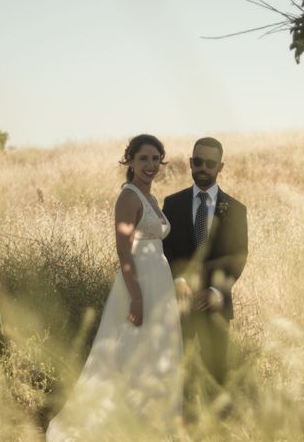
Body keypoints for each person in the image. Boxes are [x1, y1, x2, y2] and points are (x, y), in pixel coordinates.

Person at [46, 135, 183, 441]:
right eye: (143, 158)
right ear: (130, 161)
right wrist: (136, 297)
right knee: (131, 351)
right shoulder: (129, 198)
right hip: (139, 285)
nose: (150, 165)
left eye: (155, 159)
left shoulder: (153, 199)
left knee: (158, 350)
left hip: (159, 280)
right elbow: (124, 250)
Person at [162, 137, 248, 397]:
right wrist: (178, 282)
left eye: (210, 163)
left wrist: (216, 290)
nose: (203, 167)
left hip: (216, 304)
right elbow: (166, 249)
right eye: (198, 161)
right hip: (180, 304)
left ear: (220, 167)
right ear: (190, 162)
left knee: (216, 373)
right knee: (177, 374)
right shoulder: (172, 204)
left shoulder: (235, 209)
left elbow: (238, 255)